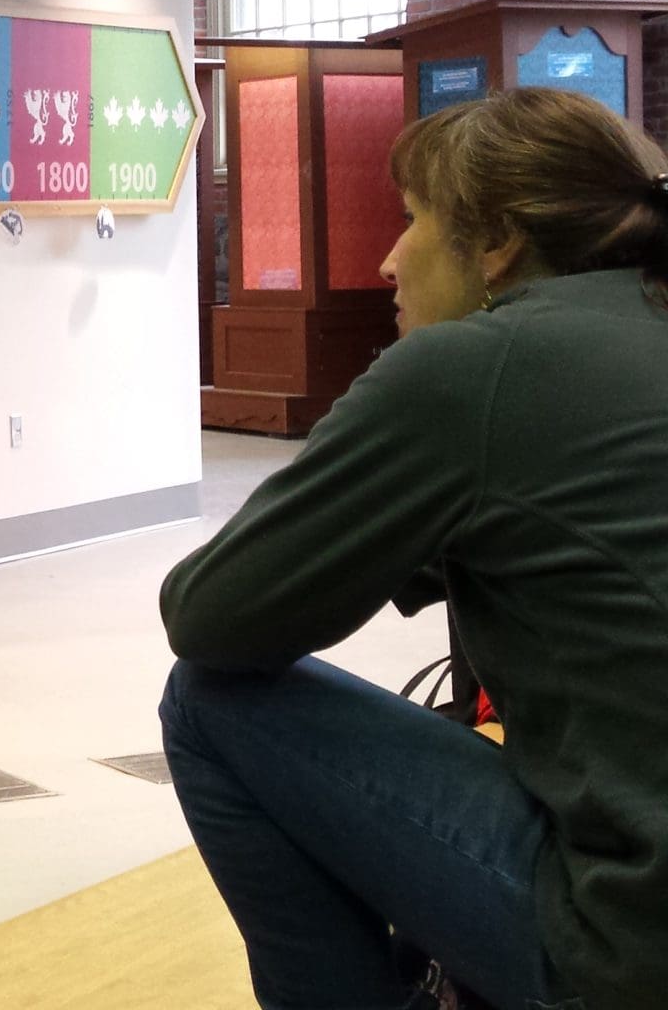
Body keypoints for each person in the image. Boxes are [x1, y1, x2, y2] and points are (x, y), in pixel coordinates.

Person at [158, 87, 668, 1010]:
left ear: (498, 242)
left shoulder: (475, 368)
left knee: (208, 702)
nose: (389, 259)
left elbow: (210, 615)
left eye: (412, 220)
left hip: (630, 945)